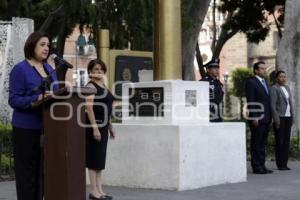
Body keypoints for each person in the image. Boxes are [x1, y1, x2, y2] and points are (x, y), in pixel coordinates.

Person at [8, 31, 58, 200]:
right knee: (27, 173)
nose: (47, 48)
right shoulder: (20, 69)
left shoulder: (50, 69)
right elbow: (14, 99)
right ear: (32, 45)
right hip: (26, 128)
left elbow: (57, 92)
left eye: (48, 45)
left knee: (42, 172)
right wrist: (35, 98)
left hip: (47, 128)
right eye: (42, 45)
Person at [85, 59, 115, 200]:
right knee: (93, 159)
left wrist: (110, 126)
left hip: (103, 126)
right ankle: (93, 191)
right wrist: (95, 129)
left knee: (100, 160)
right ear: (90, 72)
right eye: (95, 69)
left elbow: (107, 109)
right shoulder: (90, 86)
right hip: (94, 125)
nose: (98, 72)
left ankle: (100, 190)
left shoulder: (103, 85)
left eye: (101, 69)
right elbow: (89, 108)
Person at [245, 61, 272, 174]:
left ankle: (262, 165)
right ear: (256, 70)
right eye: (262, 69)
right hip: (257, 118)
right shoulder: (251, 82)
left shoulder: (265, 82)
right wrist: (254, 117)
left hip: (266, 117)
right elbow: (251, 100)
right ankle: (256, 167)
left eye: (265, 69)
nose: (264, 70)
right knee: (256, 143)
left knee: (262, 143)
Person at [270, 70, 293, 170]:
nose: (283, 78)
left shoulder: (287, 88)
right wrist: (276, 119)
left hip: (288, 117)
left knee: (286, 141)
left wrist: (293, 115)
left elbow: (290, 103)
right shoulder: (274, 88)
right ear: (277, 78)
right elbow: (272, 105)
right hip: (280, 118)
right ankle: (280, 164)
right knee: (280, 141)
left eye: (284, 76)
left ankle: (285, 163)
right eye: (281, 77)